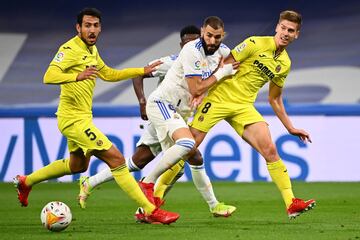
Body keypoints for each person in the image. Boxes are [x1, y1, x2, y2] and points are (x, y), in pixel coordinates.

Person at [13, 7, 179, 225]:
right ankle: (150, 210)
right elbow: (49, 75)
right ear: (78, 28)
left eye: (96, 25)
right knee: (117, 159)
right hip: (72, 119)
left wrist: (141, 71)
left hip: (82, 118)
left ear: (100, 28)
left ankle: (27, 181)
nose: (92, 30)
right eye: (87, 25)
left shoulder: (92, 50)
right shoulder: (69, 48)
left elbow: (109, 74)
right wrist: (76, 76)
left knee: (77, 166)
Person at [79, 25, 236, 217]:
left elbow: (211, 79)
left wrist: (203, 94)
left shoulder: (209, 60)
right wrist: (142, 102)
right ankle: (211, 205)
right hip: (163, 111)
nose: (193, 44)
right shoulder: (171, 61)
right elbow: (139, 74)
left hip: (177, 116)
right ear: (182, 44)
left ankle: (92, 182)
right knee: (189, 155)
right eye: (188, 41)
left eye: (195, 40)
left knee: (138, 161)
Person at [188, 10, 316, 219]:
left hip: (244, 106)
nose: (285, 33)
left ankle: (291, 203)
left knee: (270, 150)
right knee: (187, 147)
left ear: (296, 35)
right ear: (277, 27)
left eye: (290, 30)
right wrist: (201, 91)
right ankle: (153, 197)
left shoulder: (284, 64)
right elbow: (224, 64)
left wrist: (290, 127)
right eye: (283, 28)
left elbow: (274, 99)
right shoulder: (254, 43)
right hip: (219, 98)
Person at [136, 16, 239, 218]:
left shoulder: (222, 51)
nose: (211, 40)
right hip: (162, 104)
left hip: (179, 112)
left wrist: (208, 87)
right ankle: (147, 183)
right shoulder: (191, 50)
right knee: (184, 145)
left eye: (216, 37)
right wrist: (220, 75)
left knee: (189, 159)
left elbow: (233, 65)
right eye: (208, 35)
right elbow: (196, 86)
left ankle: (147, 210)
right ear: (202, 32)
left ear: (222, 36)